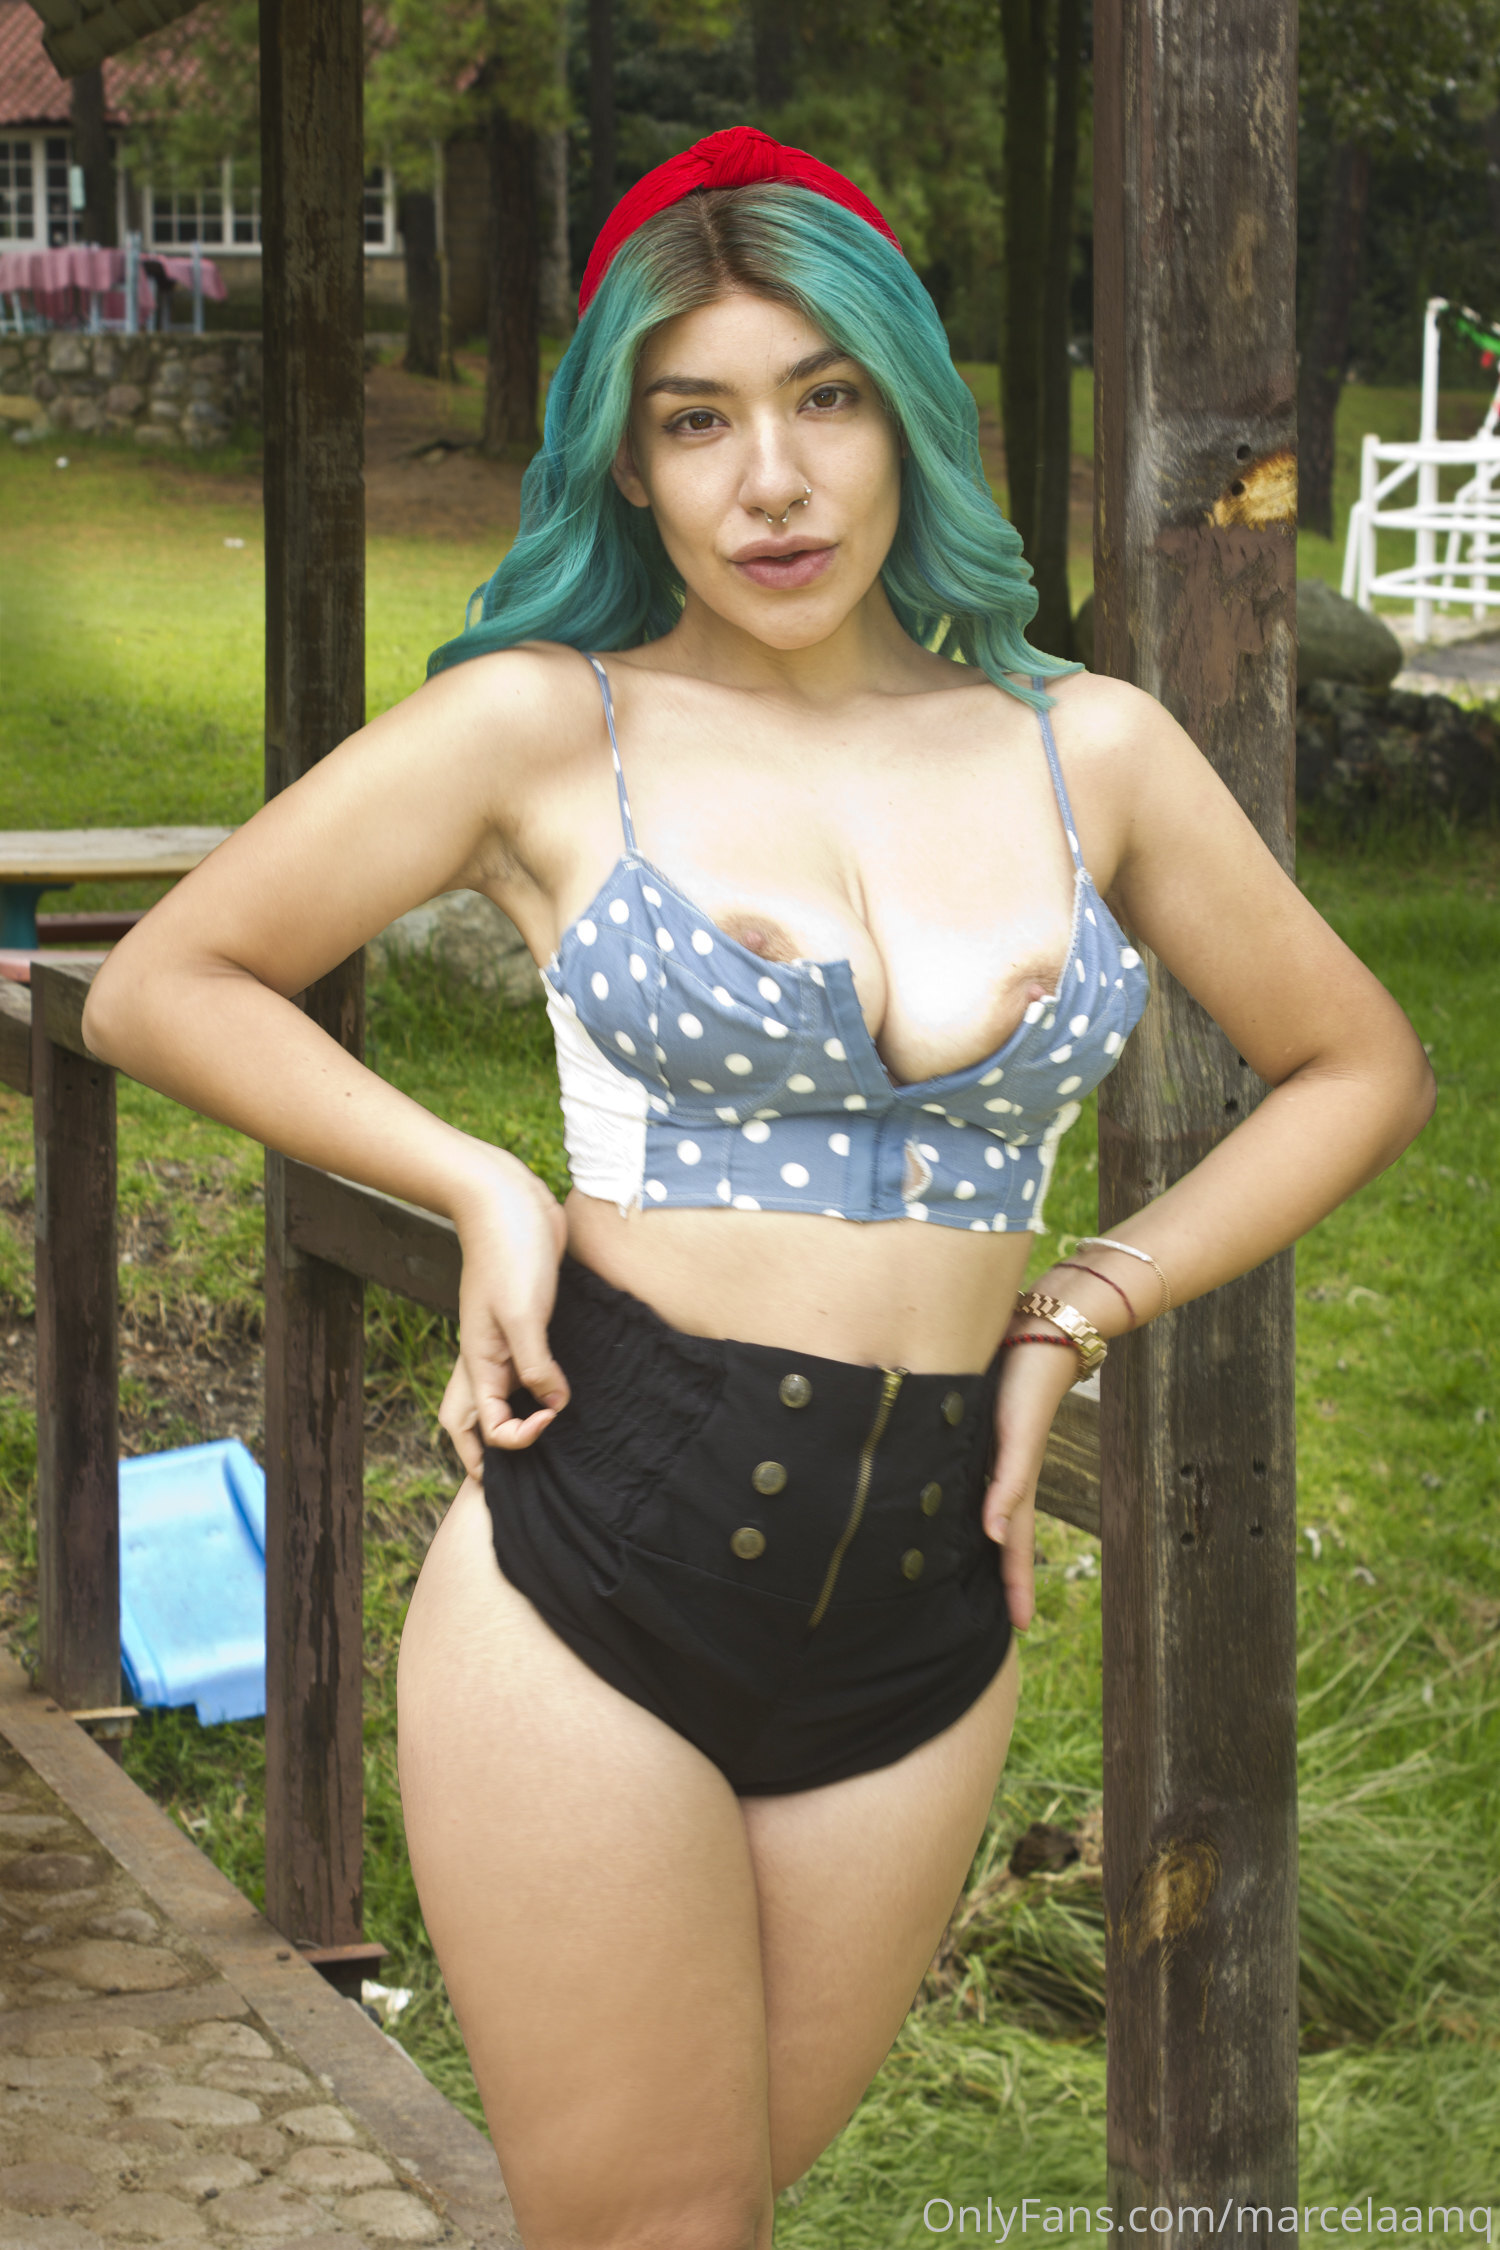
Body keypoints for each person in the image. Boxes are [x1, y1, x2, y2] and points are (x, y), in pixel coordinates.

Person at [83, 127, 1433, 2250]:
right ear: (628, 466)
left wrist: (1081, 1309)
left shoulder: (1088, 749)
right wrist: (481, 1186)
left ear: (911, 415)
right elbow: (168, 984)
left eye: (823, 398)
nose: (771, 482)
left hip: (922, 1594)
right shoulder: (546, 728)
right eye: (695, 420)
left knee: (714, 2217)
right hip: (597, 1559)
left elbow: (1361, 1064)